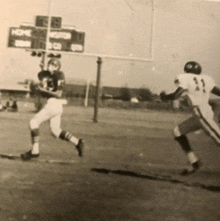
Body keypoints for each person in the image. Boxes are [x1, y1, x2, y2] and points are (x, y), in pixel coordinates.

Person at [160, 61, 220, 175]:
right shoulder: (206, 79)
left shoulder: (185, 78)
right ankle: (194, 162)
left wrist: (164, 97)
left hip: (201, 114)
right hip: (201, 114)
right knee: (177, 131)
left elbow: (175, 95)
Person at [21, 58, 84, 160]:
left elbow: (58, 94)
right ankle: (77, 142)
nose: (48, 66)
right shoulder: (50, 77)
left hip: (54, 103)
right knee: (55, 131)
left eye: (50, 65)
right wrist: (35, 90)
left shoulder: (58, 75)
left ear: (56, 66)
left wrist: (43, 89)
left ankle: (35, 151)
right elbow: (44, 92)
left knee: (33, 122)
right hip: (55, 105)